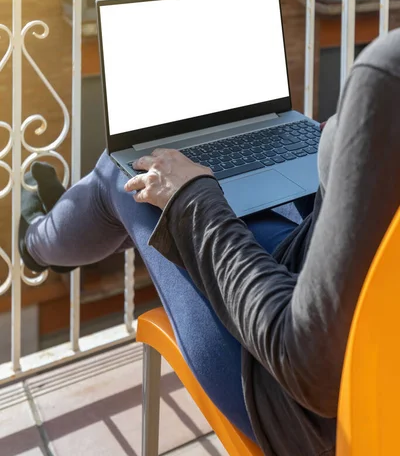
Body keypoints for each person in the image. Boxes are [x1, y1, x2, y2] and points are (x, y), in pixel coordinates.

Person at [19, 29, 400, 456]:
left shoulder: (389, 75)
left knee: (122, 172)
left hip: (305, 408)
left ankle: (36, 241)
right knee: (221, 192)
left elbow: (308, 368)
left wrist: (192, 199)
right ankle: (71, 223)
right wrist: (345, 152)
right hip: (352, 328)